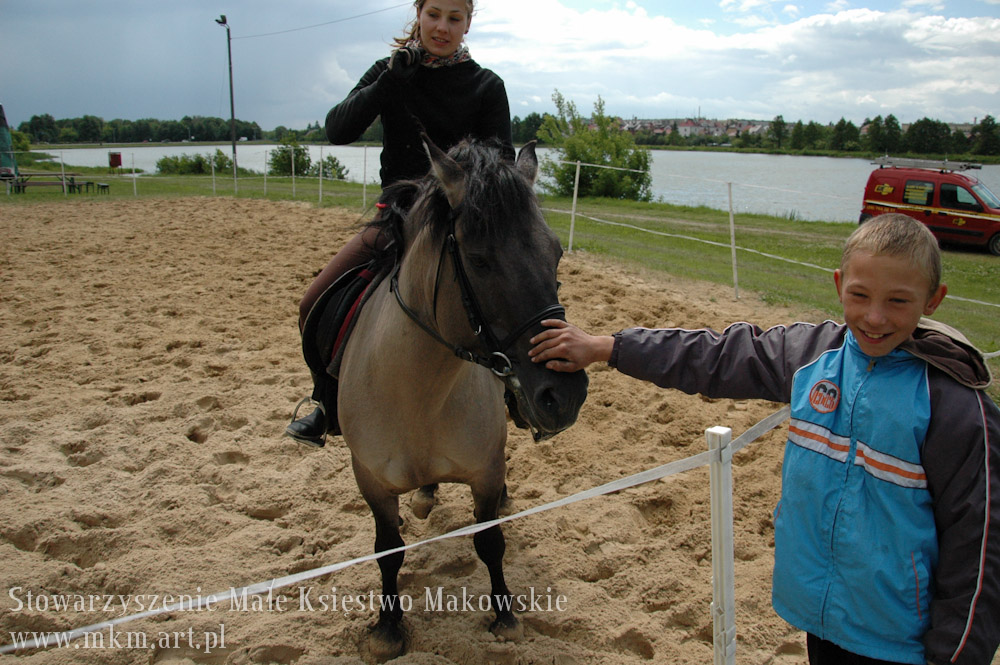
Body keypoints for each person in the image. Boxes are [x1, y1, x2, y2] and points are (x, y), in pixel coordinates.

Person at [528, 213, 999, 665]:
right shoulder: (815, 355)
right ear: (839, 285)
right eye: (860, 295)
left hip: (901, 641)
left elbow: (980, 544)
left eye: (898, 301)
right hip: (821, 621)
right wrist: (607, 347)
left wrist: (955, 655)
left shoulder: (956, 408)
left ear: (933, 300)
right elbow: (718, 357)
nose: (875, 317)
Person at [287, 0, 514, 446]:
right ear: (419, 14)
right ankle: (326, 403)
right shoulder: (388, 71)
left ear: (468, 23)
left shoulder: (487, 85)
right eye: (434, 14)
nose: (442, 27)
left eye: (454, 18)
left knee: (516, 302)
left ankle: (521, 398)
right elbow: (338, 130)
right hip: (395, 221)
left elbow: (502, 166)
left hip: (460, 227)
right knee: (311, 303)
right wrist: (389, 82)